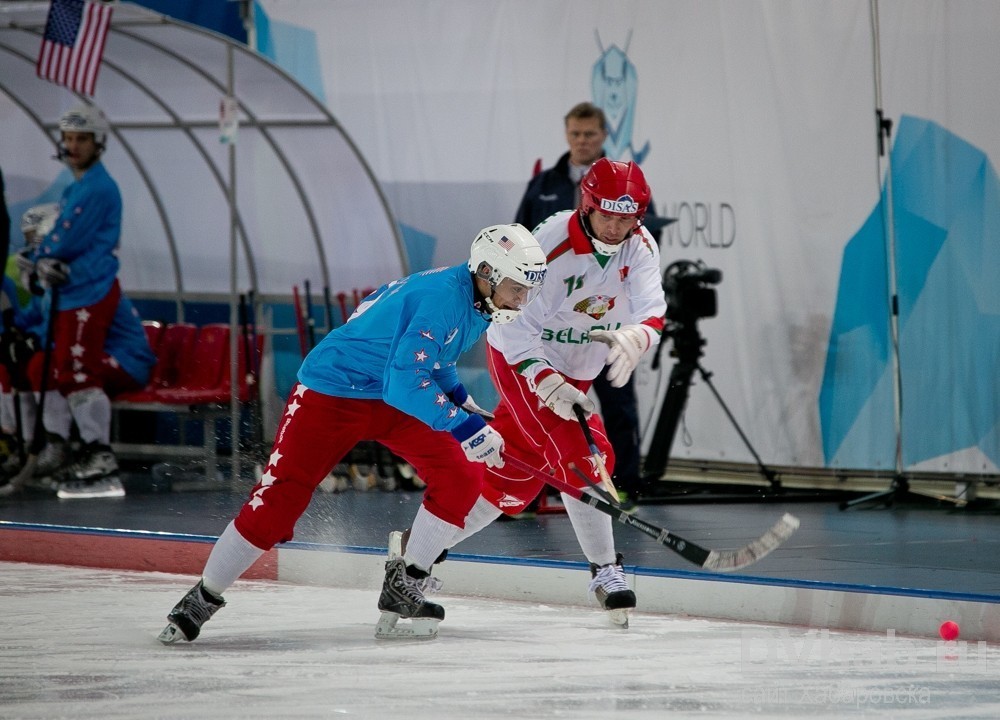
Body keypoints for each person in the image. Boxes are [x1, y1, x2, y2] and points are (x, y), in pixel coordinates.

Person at [158, 224, 548, 643]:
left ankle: (408, 581)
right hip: (334, 392)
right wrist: (464, 426)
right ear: (487, 271)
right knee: (280, 500)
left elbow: (437, 358)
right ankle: (203, 595)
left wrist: (457, 396)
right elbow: (406, 380)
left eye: (529, 290)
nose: (522, 300)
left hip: (391, 393)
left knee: (461, 472)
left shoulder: (478, 300)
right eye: (516, 288)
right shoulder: (444, 299)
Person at [453, 159, 667, 627]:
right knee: (582, 453)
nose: (616, 227)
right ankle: (607, 571)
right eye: (606, 215)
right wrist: (546, 381)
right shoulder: (546, 246)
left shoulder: (641, 246)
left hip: (577, 369)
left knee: (511, 487)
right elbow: (512, 325)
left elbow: (654, 310)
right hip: (522, 360)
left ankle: (416, 556)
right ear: (586, 207)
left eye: (626, 218)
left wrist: (639, 337)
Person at [515, 102, 665, 501]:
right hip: (553, 326)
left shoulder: (631, 192)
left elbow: (646, 250)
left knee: (618, 403)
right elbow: (521, 243)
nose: (582, 141)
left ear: (603, 136)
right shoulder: (545, 183)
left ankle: (626, 488)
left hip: (608, 325)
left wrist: (640, 333)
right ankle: (534, 492)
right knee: (536, 409)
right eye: (576, 134)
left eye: (590, 134)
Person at [14, 103, 141, 498]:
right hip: (73, 292)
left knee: (79, 371)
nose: (73, 146)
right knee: (64, 369)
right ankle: (69, 448)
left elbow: (65, 237)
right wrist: (39, 259)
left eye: (81, 138)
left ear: (97, 142)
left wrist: (37, 257)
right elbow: (55, 241)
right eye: (68, 139)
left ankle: (99, 456)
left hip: (88, 290)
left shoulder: (98, 188)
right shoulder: (76, 187)